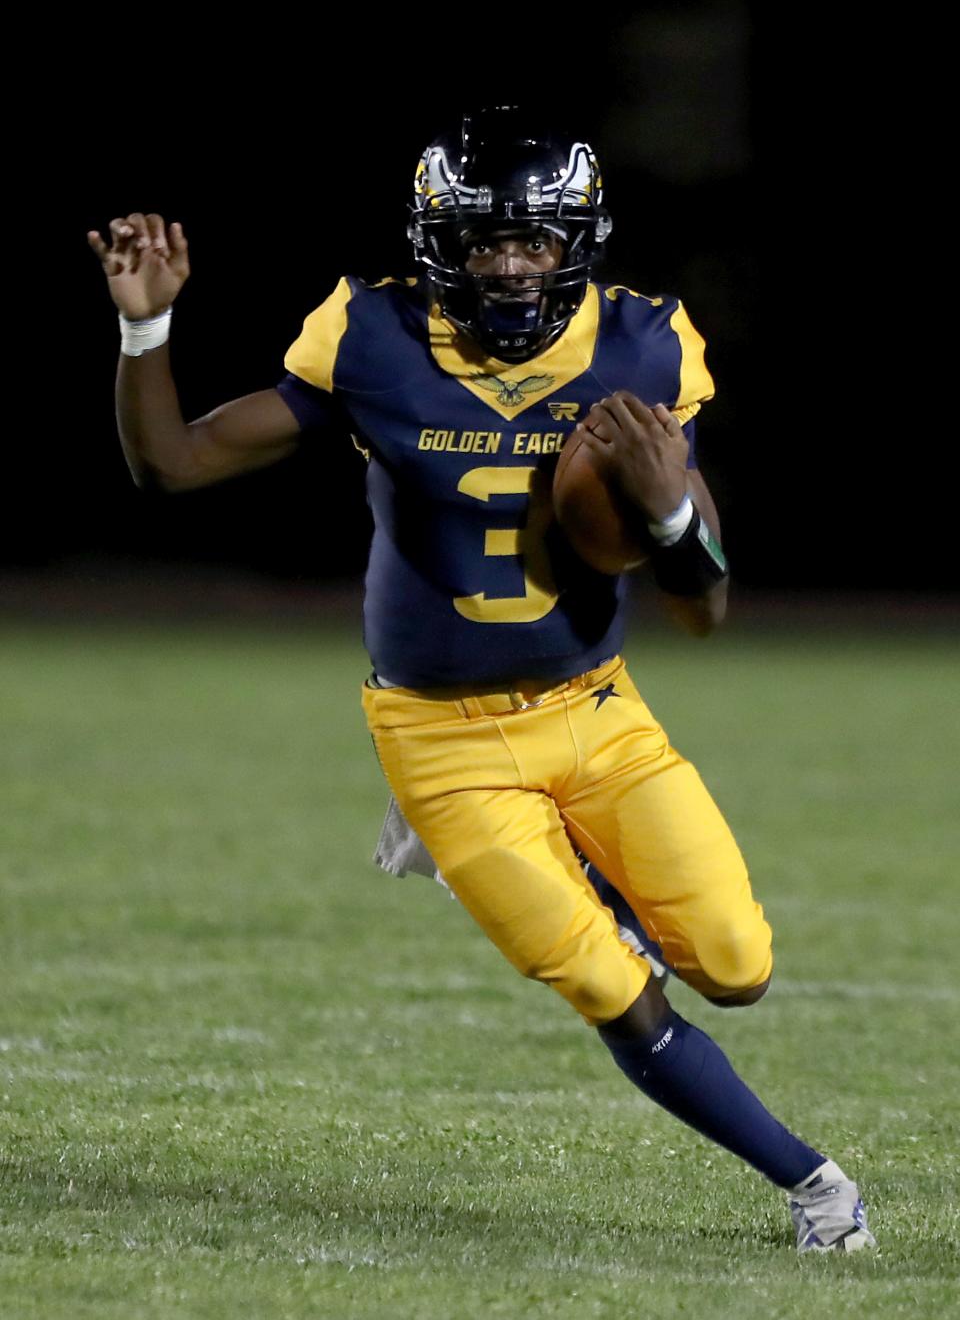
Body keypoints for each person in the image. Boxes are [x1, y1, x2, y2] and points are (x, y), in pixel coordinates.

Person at [89, 106, 875, 1253]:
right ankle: (816, 1187)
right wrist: (147, 332)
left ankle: (551, 872)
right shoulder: (372, 334)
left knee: (740, 967)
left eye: (535, 241)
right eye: (485, 240)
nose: (510, 264)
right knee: (616, 989)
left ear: (579, 242)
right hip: (440, 737)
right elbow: (174, 462)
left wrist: (665, 512)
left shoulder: (646, 345)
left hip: (596, 710)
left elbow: (703, 609)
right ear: (435, 243)